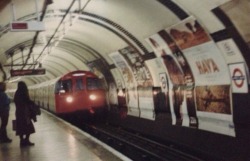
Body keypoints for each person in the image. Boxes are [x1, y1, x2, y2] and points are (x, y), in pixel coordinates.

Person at [14, 81, 35, 147]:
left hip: (18, 112)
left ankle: (22, 141)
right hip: (25, 113)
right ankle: (27, 140)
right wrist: (33, 103)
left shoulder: (17, 93)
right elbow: (28, 101)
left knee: (20, 127)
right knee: (28, 126)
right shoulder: (24, 93)